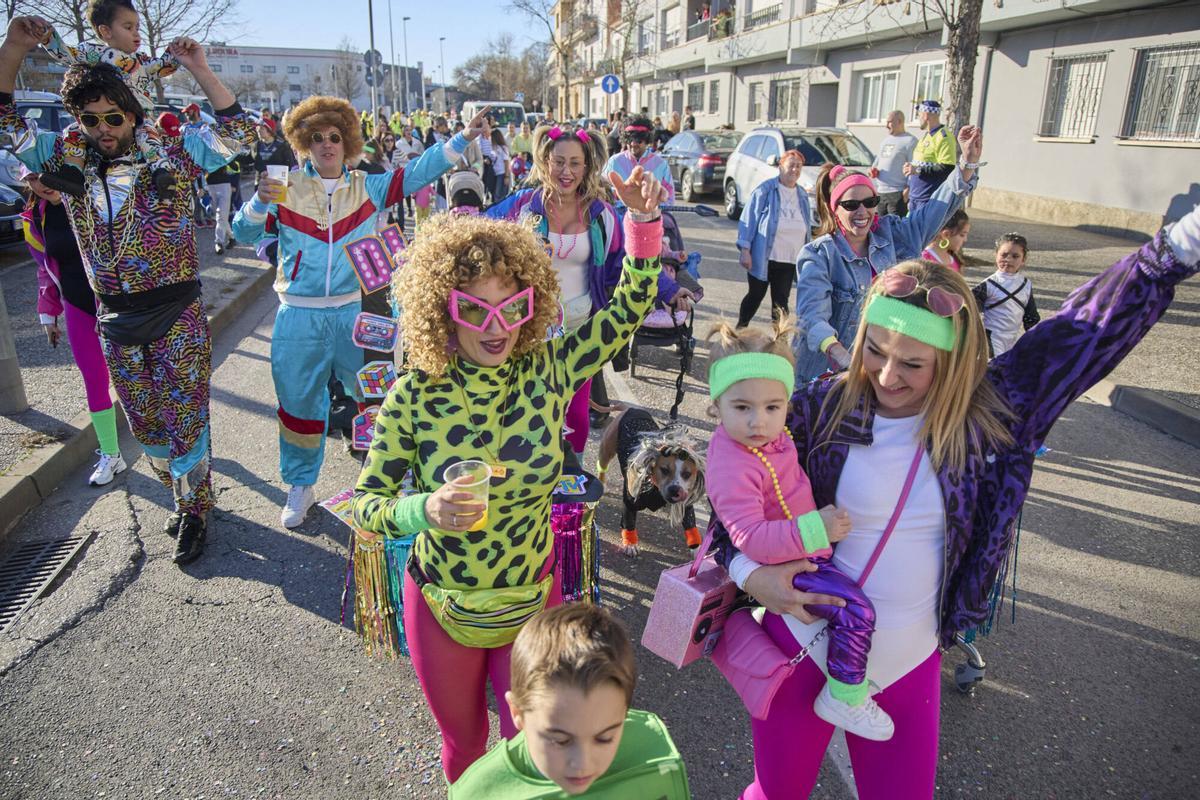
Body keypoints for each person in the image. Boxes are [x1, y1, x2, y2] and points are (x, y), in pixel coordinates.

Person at [713, 202, 1200, 799]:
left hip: (908, 661)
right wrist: (750, 576)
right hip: (804, 645)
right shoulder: (817, 408)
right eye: (876, 351)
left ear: (953, 360)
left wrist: (1170, 252)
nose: (888, 375)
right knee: (777, 794)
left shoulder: (989, 418)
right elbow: (729, 510)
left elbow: (1077, 335)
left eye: (914, 363)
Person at [350, 168, 670, 783]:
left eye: (512, 307)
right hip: (443, 604)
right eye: (474, 309)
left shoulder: (551, 366)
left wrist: (643, 225)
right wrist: (424, 510)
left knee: (532, 749)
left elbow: (628, 309)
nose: (497, 326)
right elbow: (366, 503)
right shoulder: (414, 394)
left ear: (533, 301)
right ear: (441, 310)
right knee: (466, 752)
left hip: (532, 603)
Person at [0, 16, 256, 564]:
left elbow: (241, 135)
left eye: (113, 117)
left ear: (133, 114)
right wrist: (13, 49)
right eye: (89, 120)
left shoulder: (173, 152)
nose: (103, 128)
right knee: (147, 429)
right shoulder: (69, 161)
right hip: (114, 319)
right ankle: (181, 490)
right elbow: (3, 123)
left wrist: (201, 70)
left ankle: (195, 507)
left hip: (176, 313)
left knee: (186, 419)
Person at [231, 98, 487, 529]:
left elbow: (419, 172)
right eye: (317, 137)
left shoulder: (366, 187)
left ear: (346, 142)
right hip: (298, 314)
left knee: (378, 399)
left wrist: (464, 137)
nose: (327, 145)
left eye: (335, 137)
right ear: (304, 143)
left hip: (354, 312)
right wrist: (258, 202)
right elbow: (242, 231)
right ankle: (301, 483)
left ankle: (391, 479)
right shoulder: (286, 187)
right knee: (297, 403)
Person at [703, 320, 893, 741]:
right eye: (742, 408)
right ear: (716, 405)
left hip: (802, 553)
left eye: (773, 407)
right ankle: (845, 694)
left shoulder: (769, 439)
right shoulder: (733, 462)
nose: (759, 421)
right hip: (792, 564)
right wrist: (816, 529)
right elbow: (748, 537)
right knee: (857, 611)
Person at [486, 126, 694, 453]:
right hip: (527, 333)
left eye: (575, 163)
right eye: (558, 162)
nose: (566, 172)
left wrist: (669, 289)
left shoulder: (602, 216)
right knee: (525, 416)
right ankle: (530, 484)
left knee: (577, 421)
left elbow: (626, 260)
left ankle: (572, 492)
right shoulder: (522, 208)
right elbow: (475, 231)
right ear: (544, 162)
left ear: (586, 167)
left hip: (580, 333)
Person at [793, 126, 982, 382]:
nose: (862, 211)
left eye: (869, 202)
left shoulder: (893, 234)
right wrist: (841, 355)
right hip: (822, 376)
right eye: (851, 205)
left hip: (878, 371)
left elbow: (938, 208)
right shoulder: (818, 254)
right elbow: (812, 317)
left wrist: (966, 163)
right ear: (834, 209)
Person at [450, 604, 690, 798]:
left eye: (605, 737)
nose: (582, 765)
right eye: (560, 740)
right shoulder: (480, 793)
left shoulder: (653, 755)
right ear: (517, 712)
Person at [22, 171, 127, 487]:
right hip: (77, 307)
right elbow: (45, 270)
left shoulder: (93, 200)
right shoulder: (34, 218)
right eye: (30, 179)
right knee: (95, 380)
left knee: (137, 375)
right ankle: (112, 454)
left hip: (117, 302)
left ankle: (171, 443)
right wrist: (48, 315)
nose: (40, 183)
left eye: (43, 174)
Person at [35, 0, 177, 200]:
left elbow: (163, 66)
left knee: (149, 137)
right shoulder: (94, 53)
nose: (136, 33)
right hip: (101, 117)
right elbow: (66, 53)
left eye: (137, 27)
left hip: (136, 117)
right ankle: (73, 172)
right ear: (105, 31)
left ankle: (162, 172)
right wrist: (47, 35)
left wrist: (177, 50)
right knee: (74, 131)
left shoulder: (142, 62)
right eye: (128, 27)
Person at [736, 149, 812, 328]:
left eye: (798, 166)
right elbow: (749, 220)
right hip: (764, 256)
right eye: (791, 165)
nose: (795, 170)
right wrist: (745, 250)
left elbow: (807, 226)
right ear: (780, 167)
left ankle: (779, 341)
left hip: (789, 258)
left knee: (781, 302)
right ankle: (740, 329)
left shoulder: (802, 194)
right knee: (755, 296)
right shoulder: (765, 190)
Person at [971, 232, 1040, 357]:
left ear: (1023, 259)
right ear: (996, 255)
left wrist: (1037, 338)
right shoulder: (989, 284)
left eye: (1015, 256)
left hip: (1012, 339)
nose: (1008, 260)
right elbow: (969, 306)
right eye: (1004, 255)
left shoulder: (1026, 285)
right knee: (993, 370)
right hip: (991, 338)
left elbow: (1031, 316)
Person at [602, 115, 676, 210]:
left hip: (650, 221)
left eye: (638, 140)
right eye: (629, 139)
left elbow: (669, 201)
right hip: (620, 222)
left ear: (646, 140)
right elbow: (602, 193)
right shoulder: (614, 162)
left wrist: (648, 207)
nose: (633, 144)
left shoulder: (661, 165)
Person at [903, 100, 958, 213]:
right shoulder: (926, 136)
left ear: (925, 115)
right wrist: (909, 184)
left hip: (928, 199)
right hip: (915, 197)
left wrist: (917, 170)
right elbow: (919, 164)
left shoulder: (944, 137)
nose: (918, 119)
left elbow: (947, 168)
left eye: (919, 115)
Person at [870, 110, 917, 217]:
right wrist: (873, 171)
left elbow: (913, 166)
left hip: (897, 193)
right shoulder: (885, 141)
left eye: (889, 122)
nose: (886, 126)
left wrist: (908, 189)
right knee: (881, 228)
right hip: (881, 192)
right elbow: (876, 164)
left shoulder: (910, 141)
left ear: (900, 122)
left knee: (895, 228)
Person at [206, 155, 239, 254]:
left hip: (224, 185)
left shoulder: (221, 150)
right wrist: (200, 187)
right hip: (210, 186)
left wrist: (224, 158)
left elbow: (235, 167)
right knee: (221, 217)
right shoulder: (203, 150)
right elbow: (198, 169)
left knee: (221, 215)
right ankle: (232, 238)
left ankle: (218, 242)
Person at [252, 116, 295, 191]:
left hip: (278, 182)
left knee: (278, 202)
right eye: (257, 128)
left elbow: (290, 164)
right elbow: (250, 160)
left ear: (269, 130)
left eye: (261, 128)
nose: (258, 131)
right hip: (261, 183)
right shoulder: (256, 145)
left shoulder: (282, 145)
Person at [921, 209, 969, 273]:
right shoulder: (925, 259)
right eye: (962, 235)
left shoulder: (954, 259)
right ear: (946, 234)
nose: (965, 239)